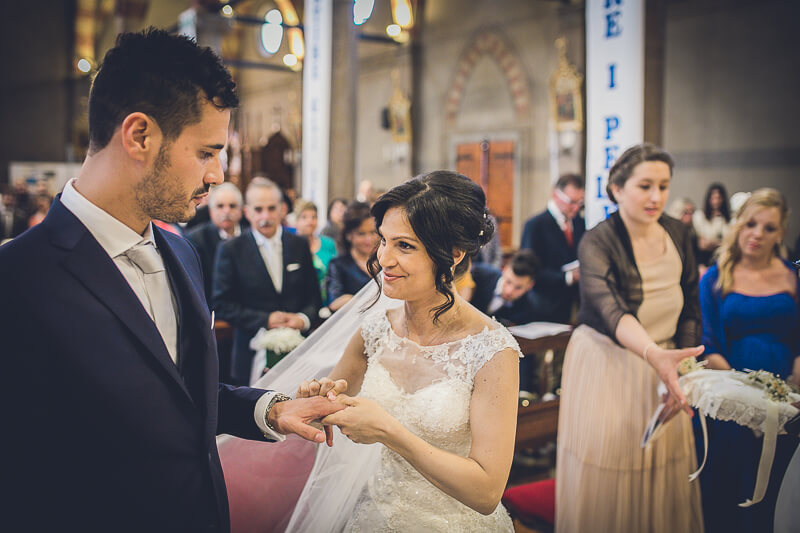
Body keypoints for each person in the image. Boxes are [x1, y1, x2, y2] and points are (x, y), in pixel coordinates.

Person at [0, 29, 344, 532]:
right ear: (139, 135)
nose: (219, 175)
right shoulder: (20, 280)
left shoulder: (181, 252)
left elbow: (178, 397)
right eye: (206, 152)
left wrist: (270, 410)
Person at [292, 170, 522, 531]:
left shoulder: (492, 350)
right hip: (372, 516)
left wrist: (391, 432)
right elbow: (334, 405)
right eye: (383, 240)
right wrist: (319, 401)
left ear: (453, 253)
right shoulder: (374, 329)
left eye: (405, 246)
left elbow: (487, 491)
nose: (384, 259)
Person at [556, 144, 705, 533]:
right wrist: (655, 354)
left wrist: (683, 366)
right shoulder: (597, 241)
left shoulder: (678, 232)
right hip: (608, 363)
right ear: (617, 189)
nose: (656, 196)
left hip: (666, 362)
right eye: (645, 186)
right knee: (613, 463)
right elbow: (610, 309)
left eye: (663, 186)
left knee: (663, 463)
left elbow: (692, 302)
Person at [696, 188, 799, 533]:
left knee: (779, 489)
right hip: (732, 402)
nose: (757, 234)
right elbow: (709, 344)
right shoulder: (714, 279)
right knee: (731, 490)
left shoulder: (792, 277)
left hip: (789, 397)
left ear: (781, 233)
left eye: (769, 228)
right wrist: (748, 400)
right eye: (751, 224)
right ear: (738, 225)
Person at [214, 178, 322, 385]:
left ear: (282, 210)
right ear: (247, 212)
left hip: (298, 352)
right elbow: (221, 305)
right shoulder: (231, 250)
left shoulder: (298, 244)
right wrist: (266, 319)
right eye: (258, 209)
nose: (265, 216)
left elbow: (314, 297)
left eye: (271, 209)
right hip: (249, 354)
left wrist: (303, 318)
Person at [520, 173, 586, 323]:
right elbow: (529, 270)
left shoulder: (579, 222)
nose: (576, 208)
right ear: (556, 195)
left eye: (580, 203)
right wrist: (569, 277)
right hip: (543, 303)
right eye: (572, 202)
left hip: (572, 303)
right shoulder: (535, 225)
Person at [185, 182, 246, 302]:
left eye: (232, 206)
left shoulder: (249, 235)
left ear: (241, 210)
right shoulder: (196, 239)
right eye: (220, 206)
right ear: (211, 211)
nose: (226, 211)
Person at [324, 201, 379, 312]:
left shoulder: (384, 261)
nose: (369, 239)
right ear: (349, 235)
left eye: (373, 232)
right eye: (361, 234)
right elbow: (334, 303)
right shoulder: (339, 265)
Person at [293, 199, 337, 302]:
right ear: (296, 221)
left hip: (327, 301)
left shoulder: (328, 244)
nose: (310, 221)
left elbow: (335, 274)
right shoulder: (291, 246)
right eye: (304, 217)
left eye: (314, 217)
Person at [693, 182, 731, 266]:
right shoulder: (699, 216)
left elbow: (729, 243)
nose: (716, 201)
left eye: (719, 198)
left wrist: (714, 243)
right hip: (704, 259)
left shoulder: (729, 218)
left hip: (723, 259)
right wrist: (719, 243)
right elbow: (703, 245)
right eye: (713, 198)